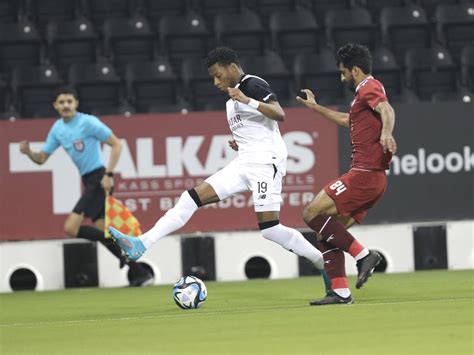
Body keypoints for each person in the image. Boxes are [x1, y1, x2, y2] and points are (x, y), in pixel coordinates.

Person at [110, 47, 331, 293]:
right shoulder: (231, 101)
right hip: (244, 162)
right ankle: (141, 243)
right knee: (190, 197)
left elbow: (279, 114)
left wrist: (247, 100)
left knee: (270, 230)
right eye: (213, 77)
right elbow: (256, 128)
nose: (216, 82)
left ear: (232, 68)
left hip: (265, 164)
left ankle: (323, 262)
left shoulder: (252, 84)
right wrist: (241, 142)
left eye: (218, 75)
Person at [19, 87, 153, 287]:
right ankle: (139, 273)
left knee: (71, 228)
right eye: (61, 102)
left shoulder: (88, 122)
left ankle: (127, 260)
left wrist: (109, 174)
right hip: (88, 181)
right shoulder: (57, 129)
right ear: (55, 106)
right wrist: (29, 152)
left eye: (69, 102)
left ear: (76, 104)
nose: (65, 105)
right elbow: (42, 159)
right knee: (105, 233)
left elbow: (116, 144)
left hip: (99, 179)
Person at [296, 43, 397, 305]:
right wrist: (315, 107)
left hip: (364, 174)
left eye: (343, 72)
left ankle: (363, 256)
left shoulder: (369, 87)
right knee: (328, 233)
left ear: (355, 70)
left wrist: (386, 132)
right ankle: (340, 293)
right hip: (374, 180)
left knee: (311, 214)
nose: (342, 78)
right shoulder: (361, 99)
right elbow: (347, 121)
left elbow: (387, 109)